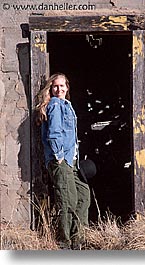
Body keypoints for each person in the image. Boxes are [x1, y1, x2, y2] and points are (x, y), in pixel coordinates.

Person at [35, 73, 91, 250]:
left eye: (62, 86)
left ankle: (79, 237)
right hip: (61, 160)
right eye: (55, 86)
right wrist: (59, 157)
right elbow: (54, 133)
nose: (59, 89)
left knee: (83, 194)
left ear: (67, 87)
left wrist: (72, 157)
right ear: (50, 89)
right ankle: (64, 242)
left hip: (71, 160)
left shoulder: (66, 104)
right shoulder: (55, 105)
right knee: (67, 200)